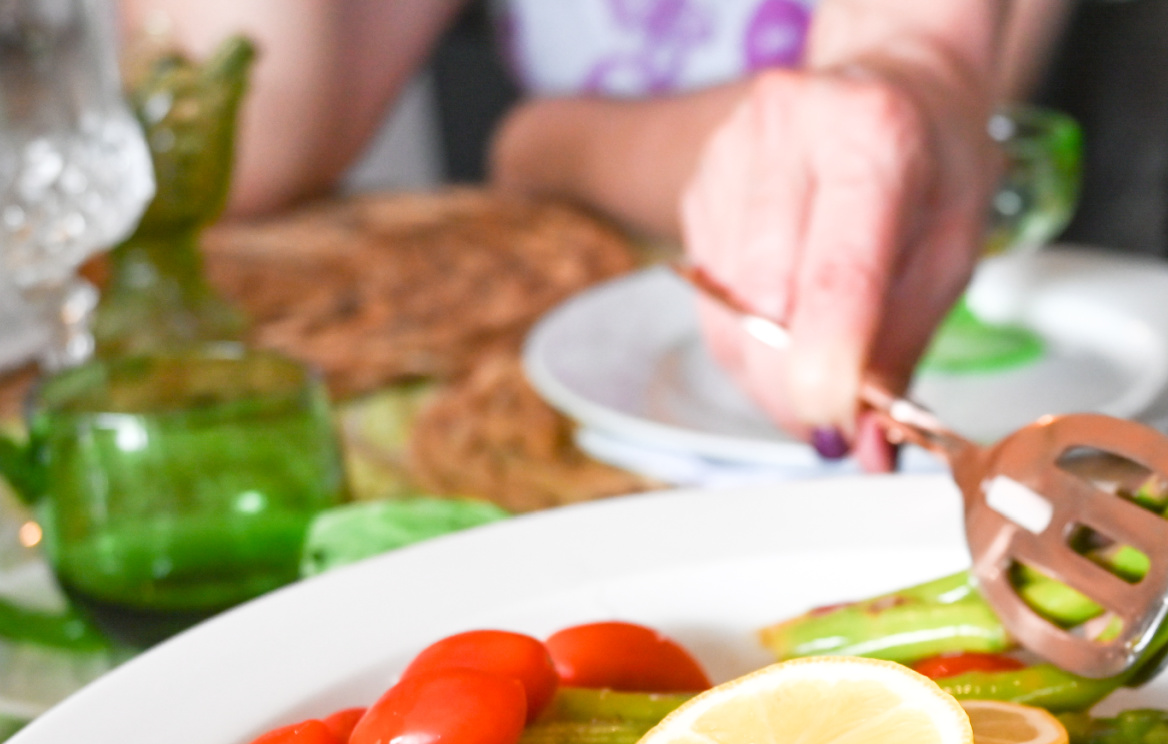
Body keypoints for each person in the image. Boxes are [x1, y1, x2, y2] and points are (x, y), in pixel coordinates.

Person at [120, 0, 1073, 466]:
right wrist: (547, 149)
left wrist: (548, 143)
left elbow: (906, 87)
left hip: (993, 365)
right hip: (559, 385)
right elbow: (243, 145)